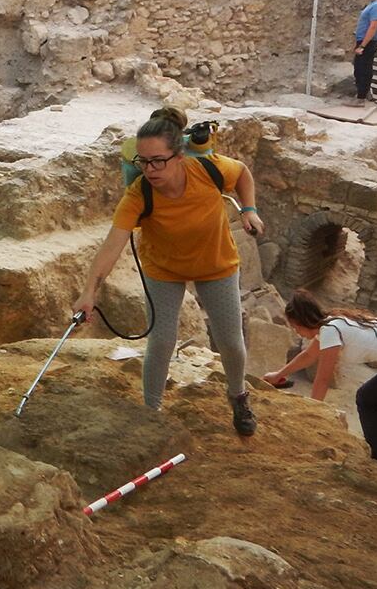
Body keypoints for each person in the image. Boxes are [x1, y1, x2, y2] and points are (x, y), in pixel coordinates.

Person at [73, 107, 268, 436]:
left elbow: (243, 174)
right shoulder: (139, 194)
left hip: (215, 264)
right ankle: (152, 410)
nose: (150, 169)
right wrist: (89, 292)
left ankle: (238, 396)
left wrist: (249, 209)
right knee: (161, 341)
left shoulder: (208, 169)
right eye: (143, 161)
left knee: (231, 343)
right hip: (163, 269)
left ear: (179, 156)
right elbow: (112, 246)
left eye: (158, 160)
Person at [267, 288, 377, 470]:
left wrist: (313, 413)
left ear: (303, 321)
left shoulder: (329, 331)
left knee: (366, 399)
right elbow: (309, 356)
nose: (297, 332)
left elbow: (322, 379)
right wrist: (279, 374)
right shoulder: (333, 321)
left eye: (296, 327)